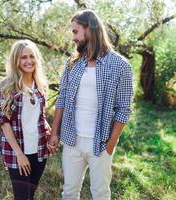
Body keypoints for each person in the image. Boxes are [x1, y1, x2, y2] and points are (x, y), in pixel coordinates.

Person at [48, 10, 134, 200]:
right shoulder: (73, 63)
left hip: (100, 143)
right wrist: (55, 133)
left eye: (75, 31)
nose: (73, 38)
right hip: (72, 141)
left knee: (101, 194)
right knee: (69, 192)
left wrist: (111, 143)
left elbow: (124, 109)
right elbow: (61, 99)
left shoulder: (120, 65)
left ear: (90, 30)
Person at [0, 40, 50, 200]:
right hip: (17, 152)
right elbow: (4, 123)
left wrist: (51, 135)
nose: (28, 61)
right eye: (23, 57)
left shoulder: (40, 85)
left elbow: (41, 117)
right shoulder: (7, 86)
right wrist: (19, 154)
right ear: (16, 61)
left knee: (30, 195)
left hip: (39, 149)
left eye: (31, 56)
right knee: (22, 197)